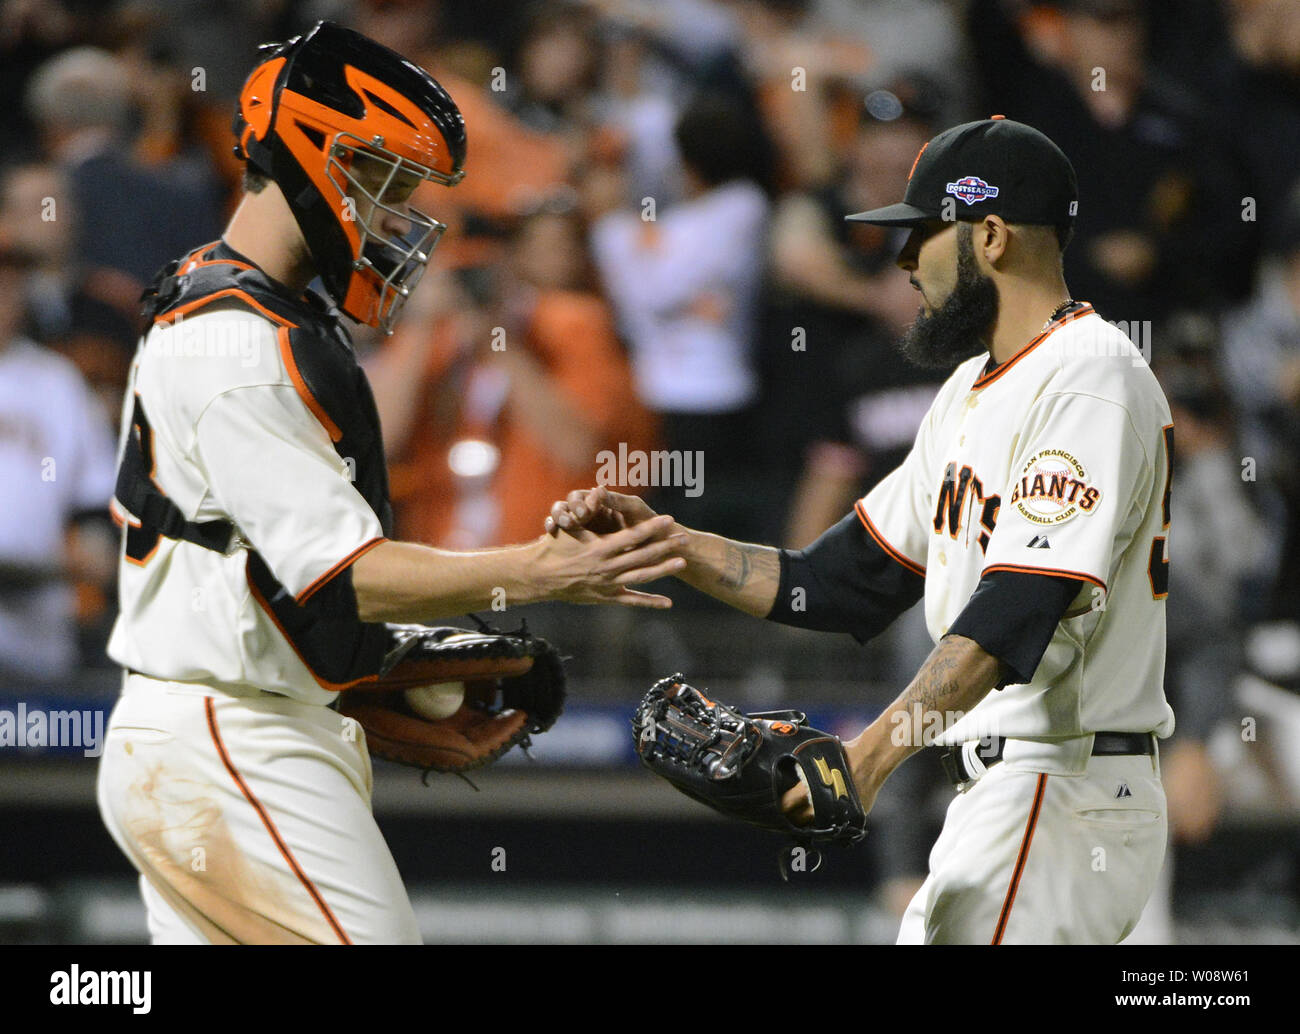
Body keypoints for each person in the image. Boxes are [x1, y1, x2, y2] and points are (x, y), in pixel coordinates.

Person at [95, 21, 686, 946]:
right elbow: (346, 572)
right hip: (235, 739)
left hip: (225, 726)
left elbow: (257, 571)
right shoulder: (238, 340)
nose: (400, 219)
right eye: (389, 184)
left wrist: (360, 668)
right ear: (322, 157)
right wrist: (543, 570)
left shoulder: (239, 306)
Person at [550, 117, 1174, 944]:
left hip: (1061, 791)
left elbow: (1017, 607)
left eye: (920, 235)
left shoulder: (1088, 377)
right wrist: (667, 543)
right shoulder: (969, 390)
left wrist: (867, 758)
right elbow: (837, 582)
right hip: (1009, 798)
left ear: (989, 236)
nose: (903, 260)